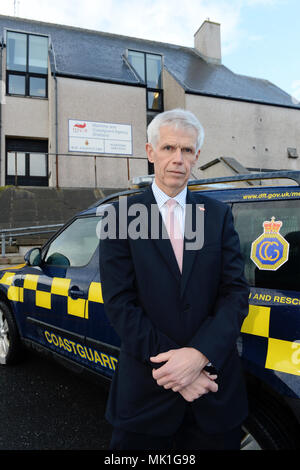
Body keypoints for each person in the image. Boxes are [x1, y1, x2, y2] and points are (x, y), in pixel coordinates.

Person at [99, 108, 249, 450]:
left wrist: (199, 356)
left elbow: (235, 293)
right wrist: (180, 372)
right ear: (151, 152)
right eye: (168, 148)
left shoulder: (218, 215)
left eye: (186, 150)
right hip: (146, 397)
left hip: (214, 394)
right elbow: (120, 304)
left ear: (196, 156)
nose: (177, 159)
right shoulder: (120, 216)